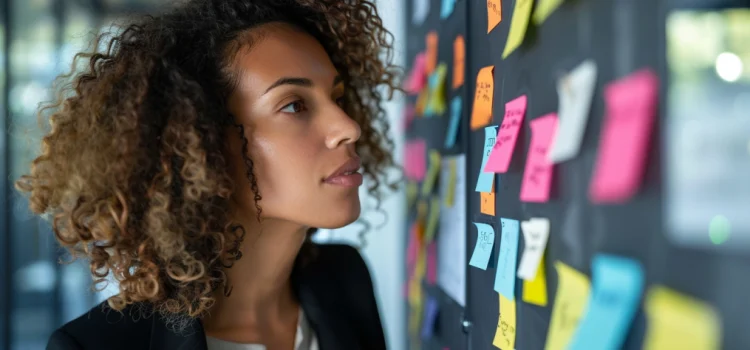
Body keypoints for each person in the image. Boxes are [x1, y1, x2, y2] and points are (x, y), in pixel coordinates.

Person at [16, 0, 400, 349]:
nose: (349, 127)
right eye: (295, 105)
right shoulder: (95, 347)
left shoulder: (343, 278)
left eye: (336, 98)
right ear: (201, 143)